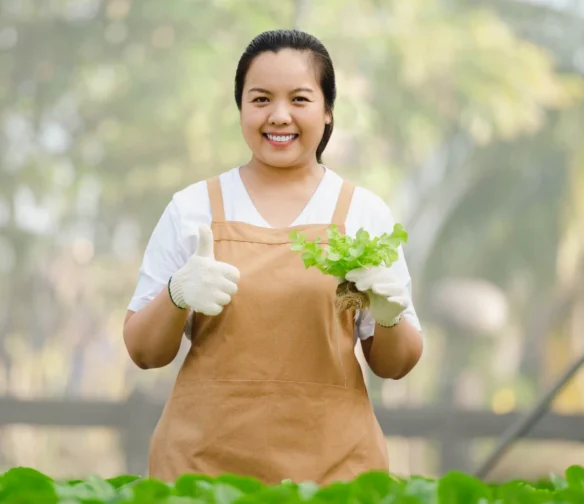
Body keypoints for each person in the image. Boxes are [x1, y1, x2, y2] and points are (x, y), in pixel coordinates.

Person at [123, 28, 424, 485]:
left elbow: (396, 365)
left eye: (299, 99)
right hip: (202, 473)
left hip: (335, 474)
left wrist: (387, 316)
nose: (279, 116)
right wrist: (177, 292)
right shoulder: (192, 208)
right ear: (241, 108)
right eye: (260, 99)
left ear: (327, 113)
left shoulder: (364, 213)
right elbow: (143, 351)